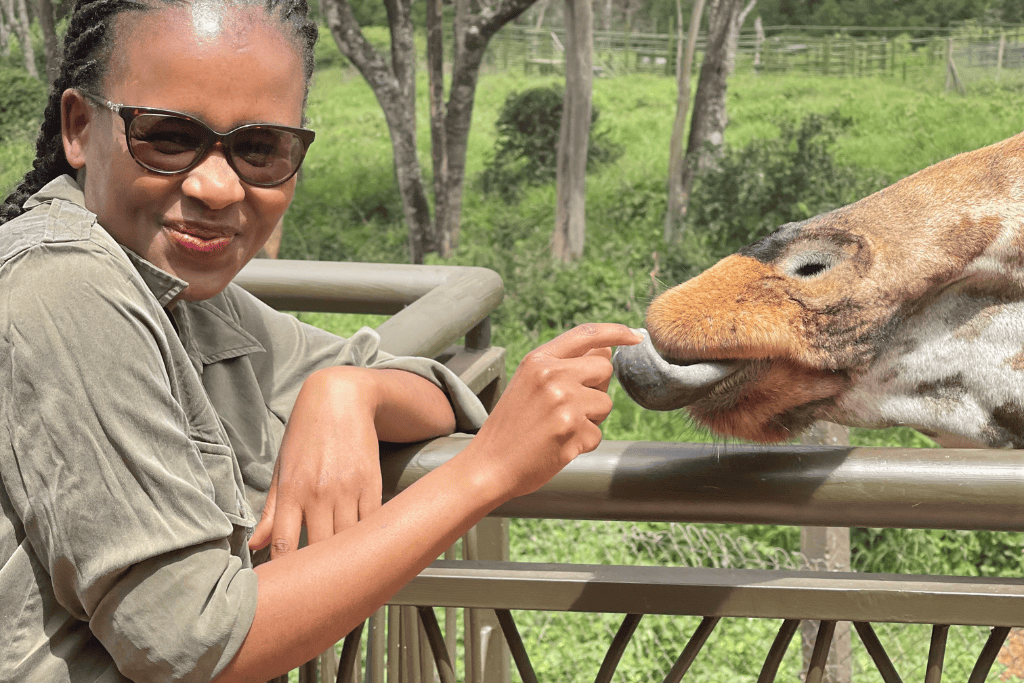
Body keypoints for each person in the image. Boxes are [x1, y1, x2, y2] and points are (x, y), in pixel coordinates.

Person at [0, 0, 641, 680]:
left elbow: (429, 390)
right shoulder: (62, 282)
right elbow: (190, 640)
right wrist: (484, 474)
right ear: (78, 127)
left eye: (259, 149)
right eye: (166, 136)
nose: (217, 186)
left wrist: (349, 391)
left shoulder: (186, 298)